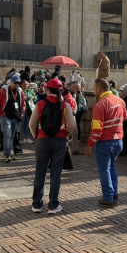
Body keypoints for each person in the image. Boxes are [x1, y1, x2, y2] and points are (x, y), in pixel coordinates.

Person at [29, 78, 76, 215]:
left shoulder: (41, 103)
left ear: (47, 89)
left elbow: (32, 124)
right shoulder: (64, 105)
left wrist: (36, 134)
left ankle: (36, 204)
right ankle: (53, 205)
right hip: (59, 139)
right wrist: (66, 134)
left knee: (40, 172)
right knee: (56, 173)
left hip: (42, 139)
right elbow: (72, 125)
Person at [86, 79, 127, 208]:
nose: (94, 92)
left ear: (99, 89)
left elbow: (97, 130)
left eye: (94, 89)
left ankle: (108, 197)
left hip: (105, 142)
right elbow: (125, 117)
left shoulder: (99, 105)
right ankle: (114, 192)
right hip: (118, 140)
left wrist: (89, 145)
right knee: (112, 167)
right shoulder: (120, 100)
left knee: (104, 170)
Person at [0, 74, 25, 162]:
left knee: (11, 136)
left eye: (18, 83)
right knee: (7, 135)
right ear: (11, 82)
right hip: (5, 117)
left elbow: (23, 104)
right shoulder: (4, 90)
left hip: (15, 117)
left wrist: (22, 114)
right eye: (15, 83)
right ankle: (6, 154)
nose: (17, 85)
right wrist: (0, 114)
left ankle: (8, 153)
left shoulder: (20, 91)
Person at [68, 81, 86, 155]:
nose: (79, 89)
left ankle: (75, 149)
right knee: (68, 132)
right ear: (73, 87)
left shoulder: (77, 94)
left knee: (75, 132)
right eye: (78, 87)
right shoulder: (68, 94)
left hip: (73, 114)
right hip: (68, 115)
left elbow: (77, 104)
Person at [21, 79, 37, 144]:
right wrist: (28, 97)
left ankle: (26, 137)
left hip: (29, 110)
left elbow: (36, 97)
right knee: (21, 124)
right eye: (24, 84)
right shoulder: (20, 91)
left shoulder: (30, 91)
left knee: (26, 124)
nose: (26, 85)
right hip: (22, 110)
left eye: (27, 84)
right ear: (21, 85)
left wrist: (33, 97)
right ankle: (19, 138)